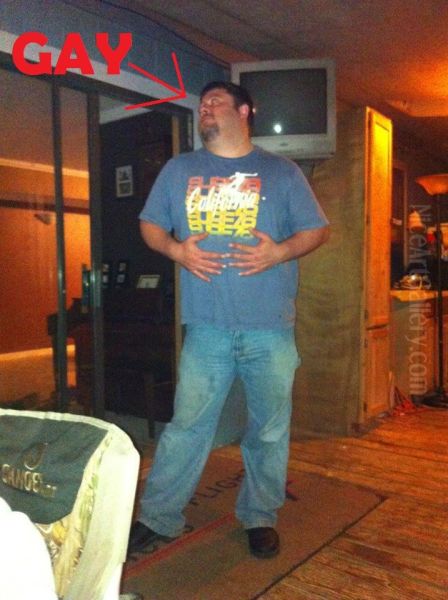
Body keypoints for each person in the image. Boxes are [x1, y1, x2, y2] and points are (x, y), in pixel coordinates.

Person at [128, 81, 329, 559]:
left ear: (244, 111)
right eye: (202, 105)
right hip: (207, 327)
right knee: (187, 426)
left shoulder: (281, 172)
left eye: (216, 102)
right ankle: (158, 516)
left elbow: (317, 230)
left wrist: (280, 252)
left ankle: (259, 515)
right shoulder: (180, 169)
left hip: (270, 327)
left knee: (268, 430)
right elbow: (150, 224)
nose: (205, 109)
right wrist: (176, 249)